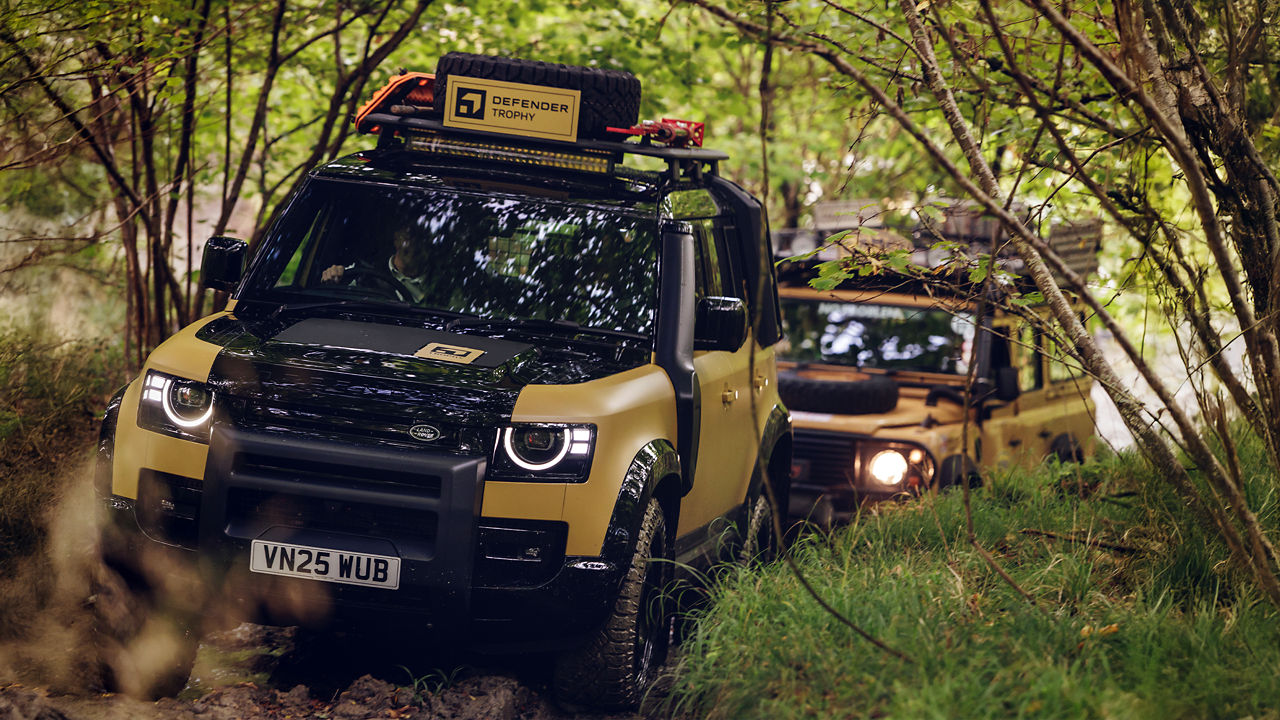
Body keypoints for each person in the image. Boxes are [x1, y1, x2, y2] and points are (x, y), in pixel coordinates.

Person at [321, 226, 434, 303]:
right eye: (409, 237)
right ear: (397, 240)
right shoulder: (363, 274)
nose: (414, 244)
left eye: (421, 238)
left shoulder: (438, 284)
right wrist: (333, 275)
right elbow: (332, 285)